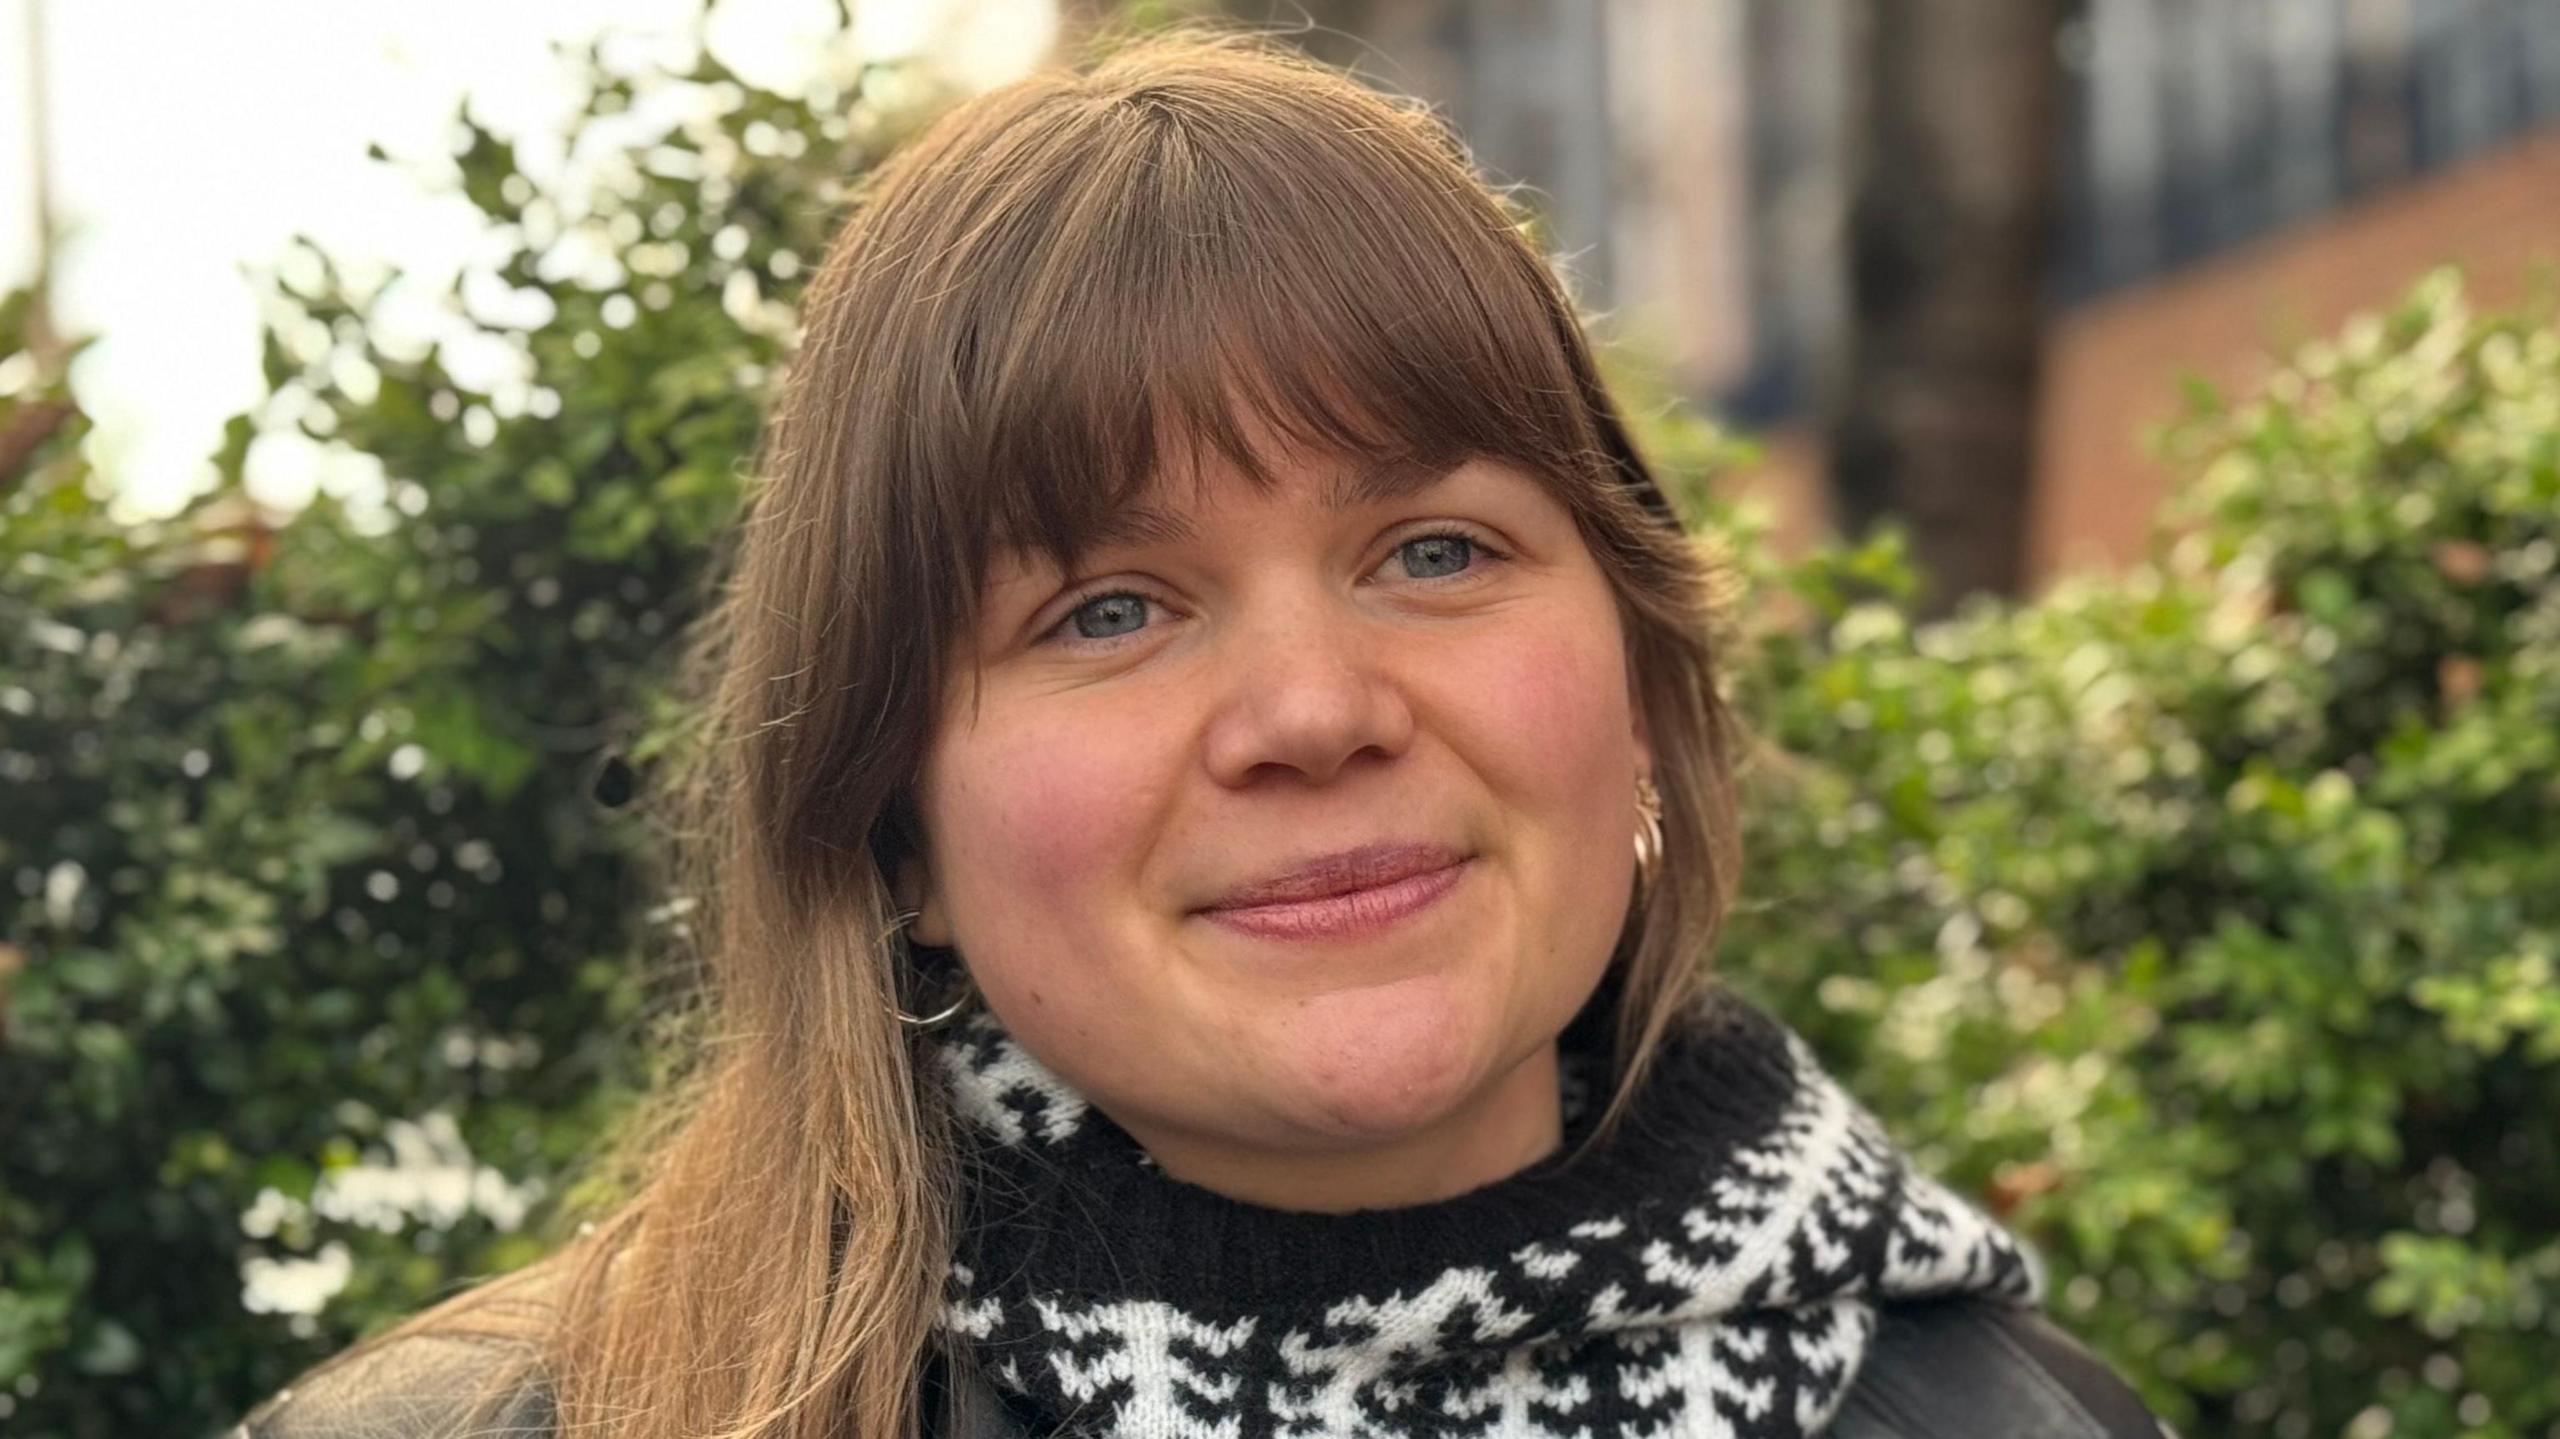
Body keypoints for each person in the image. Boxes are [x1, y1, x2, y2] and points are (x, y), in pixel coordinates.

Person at [233, 24, 2173, 1439]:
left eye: (1430, 549)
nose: (1312, 713)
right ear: (891, 825)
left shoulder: (2010, 1412)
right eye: (1106, 608)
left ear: (1643, 693)